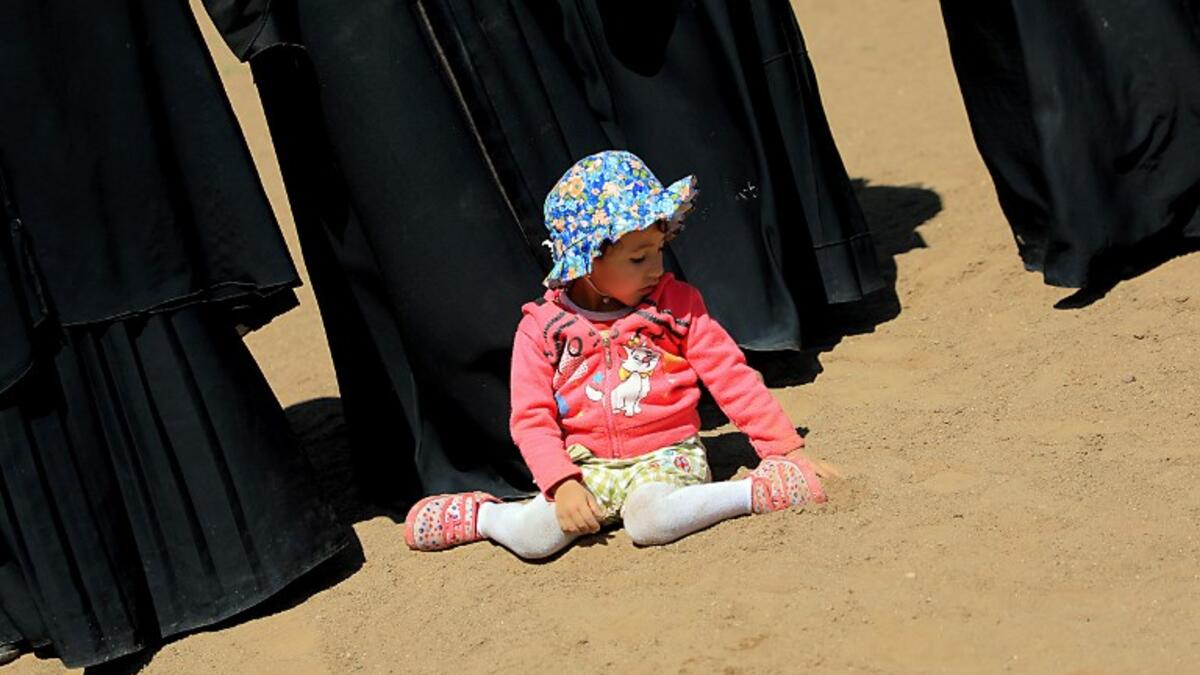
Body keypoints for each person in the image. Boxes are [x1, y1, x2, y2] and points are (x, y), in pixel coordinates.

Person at [404, 151, 837, 558]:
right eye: (637, 258)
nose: (656, 268)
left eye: (659, 250)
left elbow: (731, 376)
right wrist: (562, 482)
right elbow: (531, 417)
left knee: (650, 523)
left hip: (666, 457)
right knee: (536, 540)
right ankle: (482, 517)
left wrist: (784, 451)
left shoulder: (676, 306)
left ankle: (755, 492)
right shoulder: (542, 328)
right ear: (587, 261)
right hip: (584, 466)